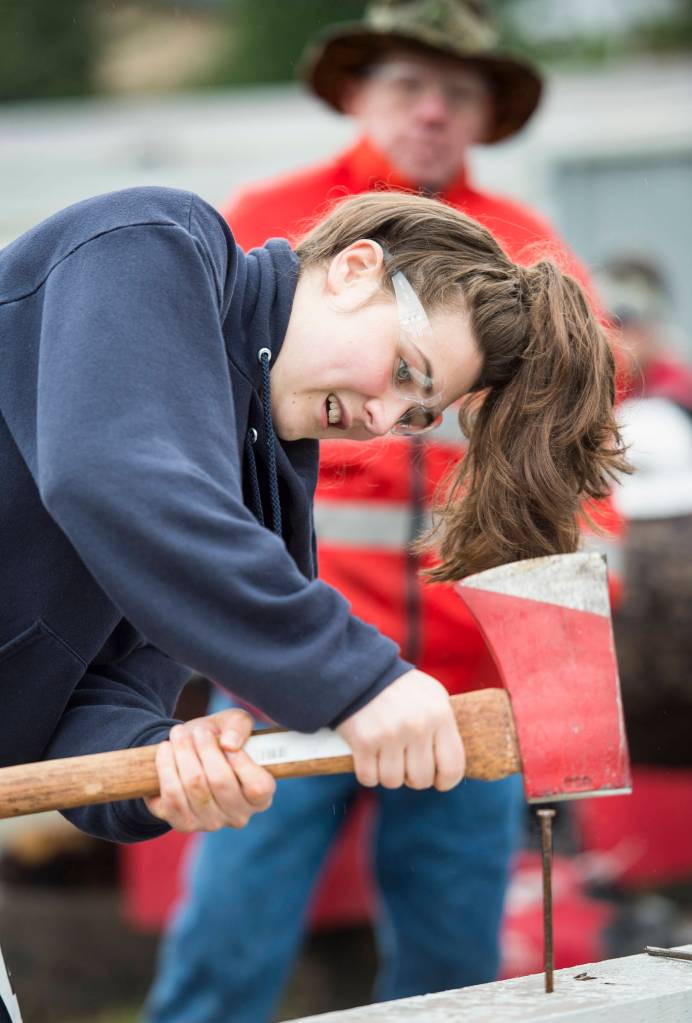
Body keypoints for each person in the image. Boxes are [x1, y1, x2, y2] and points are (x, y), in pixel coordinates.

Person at [144, 3, 622, 1021]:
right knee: (225, 952)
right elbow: (180, 447)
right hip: (286, 672)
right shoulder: (266, 224)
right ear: (356, 93)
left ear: (486, 114)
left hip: (460, 694)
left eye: (459, 92)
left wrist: (555, 693)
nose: (433, 110)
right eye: (409, 83)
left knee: (455, 976)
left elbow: (576, 486)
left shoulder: (539, 266)